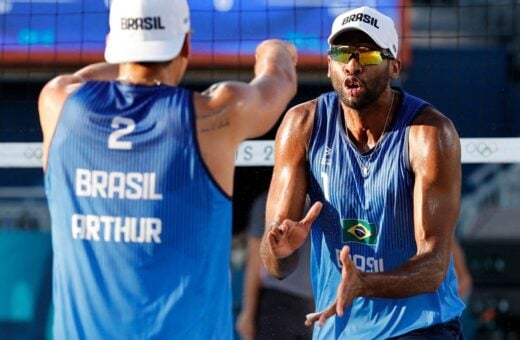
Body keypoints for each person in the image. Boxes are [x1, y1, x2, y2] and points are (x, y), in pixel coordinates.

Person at [37, 0, 297, 338]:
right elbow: (280, 81)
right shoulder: (217, 114)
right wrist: (275, 50)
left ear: (113, 44)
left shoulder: (57, 104)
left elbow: (81, 79)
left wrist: (132, 59)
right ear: (186, 43)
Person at [260, 6, 466, 339]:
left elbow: (434, 266)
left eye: (368, 54)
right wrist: (279, 250)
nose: (352, 65)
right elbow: (277, 266)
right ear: (329, 65)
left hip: (421, 327)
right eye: (342, 53)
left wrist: (364, 284)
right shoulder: (302, 125)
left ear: (394, 66)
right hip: (339, 328)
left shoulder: (429, 133)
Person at [236, 191, 314, 340]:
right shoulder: (266, 203)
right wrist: (248, 313)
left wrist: (247, 313)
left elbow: (253, 264)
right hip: (283, 303)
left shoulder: (268, 202)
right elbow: (255, 263)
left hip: (297, 305)